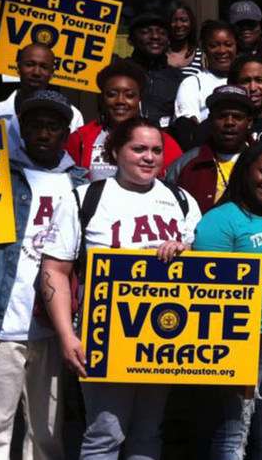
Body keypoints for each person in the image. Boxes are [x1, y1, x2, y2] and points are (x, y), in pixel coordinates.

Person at [39, 117, 203, 460]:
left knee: (148, 433)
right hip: (104, 335)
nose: (149, 157)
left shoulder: (181, 199)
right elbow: (54, 270)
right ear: (115, 152)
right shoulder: (85, 198)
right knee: (104, 434)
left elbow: (204, 270)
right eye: (138, 148)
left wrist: (186, 250)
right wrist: (67, 336)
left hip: (164, 336)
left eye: (156, 150)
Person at [0, 89, 87, 460]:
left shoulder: (82, 185)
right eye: (35, 125)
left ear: (66, 133)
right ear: (21, 129)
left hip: (53, 331)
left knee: (47, 437)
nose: (43, 133)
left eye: (53, 126)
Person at [194, 142, 262, 460]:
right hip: (239, 341)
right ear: (246, 171)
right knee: (234, 434)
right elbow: (208, 288)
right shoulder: (220, 220)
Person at [65, 59, 183, 180]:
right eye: (112, 94)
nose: (120, 101)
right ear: (101, 99)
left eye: (129, 95)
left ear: (139, 99)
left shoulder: (163, 142)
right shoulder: (79, 138)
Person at [166, 85, 254, 213]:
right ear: (211, 120)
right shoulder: (185, 164)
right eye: (222, 116)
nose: (229, 122)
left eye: (237, 117)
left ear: (249, 122)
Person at [0, 43, 84, 132]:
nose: (36, 72)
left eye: (44, 67)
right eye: (29, 64)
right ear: (18, 68)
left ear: (51, 74)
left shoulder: (73, 116)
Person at [126, 12, 185, 128]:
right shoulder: (119, 73)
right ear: (130, 40)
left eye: (162, 33)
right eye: (146, 32)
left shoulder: (178, 78)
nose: (155, 37)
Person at [174, 20, 239, 125]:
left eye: (228, 44)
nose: (222, 50)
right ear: (204, 48)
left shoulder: (247, 81)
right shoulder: (192, 84)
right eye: (214, 46)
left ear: (236, 46)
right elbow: (188, 126)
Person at [167, 0, 204, 75]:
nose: (179, 25)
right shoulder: (159, 55)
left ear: (191, 23)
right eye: (174, 20)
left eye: (183, 20)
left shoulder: (202, 57)